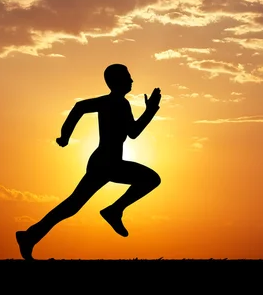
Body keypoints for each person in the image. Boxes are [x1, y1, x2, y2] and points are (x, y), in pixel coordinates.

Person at [16, 64, 162, 260]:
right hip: (106, 163)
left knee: (72, 205)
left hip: (106, 162)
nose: (132, 80)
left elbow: (131, 131)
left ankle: (30, 235)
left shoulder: (120, 103)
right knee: (151, 179)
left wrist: (151, 110)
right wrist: (65, 135)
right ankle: (114, 210)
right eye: (128, 77)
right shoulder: (114, 102)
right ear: (117, 81)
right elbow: (81, 108)